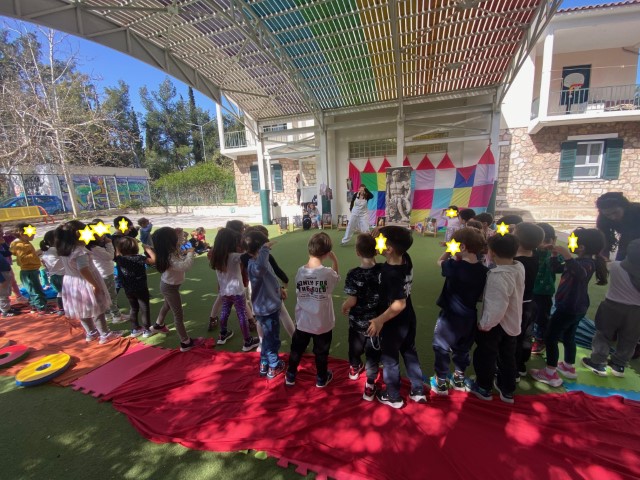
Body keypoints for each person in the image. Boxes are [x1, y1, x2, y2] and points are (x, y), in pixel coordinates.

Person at [530, 228, 608, 387]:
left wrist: (566, 255)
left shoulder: (587, 264)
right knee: (568, 336)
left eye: (572, 241)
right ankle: (568, 366)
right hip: (574, 307)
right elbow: (556, 268)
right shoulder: (578, 262)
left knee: (551, 337)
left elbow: (580, 273)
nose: (568, 243)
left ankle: (550, 373)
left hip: (569, 307)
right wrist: (554, 255)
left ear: (582, 247)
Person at [367, 226, 428, 408]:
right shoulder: (405, 258)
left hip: (393, 322)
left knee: (390, 359)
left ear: (389, 248)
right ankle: (418, 390)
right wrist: (380, 234)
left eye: (379, 241)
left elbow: (399, 304)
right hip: (409, 318)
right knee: (409, 352)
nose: (376, 243)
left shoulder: (390, 273)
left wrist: (379, 320)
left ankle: (393, 396)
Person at [430, 227, 488, 396]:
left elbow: (439, 262)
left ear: (462, 247)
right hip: (469, 317)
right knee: (463, 349)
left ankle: (441, 381)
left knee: (441, 347)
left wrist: (448, 251)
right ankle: (459, 377)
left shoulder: (453, 266)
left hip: (449, 317)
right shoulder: (484, 271)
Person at [468, 233, 524, 404]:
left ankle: (483, 387)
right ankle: (507, 389)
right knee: (508, 356)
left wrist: (485, 325)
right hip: (513, 322)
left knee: (486, 355)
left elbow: (497, 306)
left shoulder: (497, 276)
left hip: (496, 325)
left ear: (491, 252)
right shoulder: (518, 266)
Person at [286, 232, 339, 388]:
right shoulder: (327, 273)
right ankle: (321, 378)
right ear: (327, 253)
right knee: (321, 352)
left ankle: (290, 375)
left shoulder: (300, 271)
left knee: (297, 349)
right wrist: (335, 260)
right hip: (322, 323)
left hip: (303, 321)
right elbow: (336, 277)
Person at [55, 221, 122, 344]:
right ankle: (105, 334)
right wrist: (94, 284)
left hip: (72, 283)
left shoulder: (66, 250)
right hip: (85, 283)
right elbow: (83, 269)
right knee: (97, 308)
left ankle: (91, 332)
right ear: (78, 234)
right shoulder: (80, 252)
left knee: (82, 310)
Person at [582, 239, 640, 377]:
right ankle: (619, 365)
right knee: (630, 339)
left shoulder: (615, 266)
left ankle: (598, 362)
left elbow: (604, 264)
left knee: (603, 335)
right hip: (637, 312)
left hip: (611, 307)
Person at [341, 234, 382, 399]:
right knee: (373, 356)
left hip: (357, 323)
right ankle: (370, 385)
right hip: (376, 324)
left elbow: (352, 300)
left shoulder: (353, 274)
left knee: (354, 347)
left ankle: (354, 368)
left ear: (357, 252)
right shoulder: (382, 270)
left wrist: (345, 306)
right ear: (376, 251)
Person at [241, 225, 295, 340]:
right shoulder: (259, 260)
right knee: (273, 317)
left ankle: (263, 342)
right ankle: (266, 343)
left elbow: (272, 274)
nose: (268, 247)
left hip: (263, 289)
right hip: (264, 293)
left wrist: (280, 287)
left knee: (263, 318)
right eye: (265, 244)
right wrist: (265, 249)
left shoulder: (248, 257)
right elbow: (264, 268)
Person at [244, 230, 285, 378]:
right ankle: (273, 365)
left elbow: (270, 277)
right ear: (260, 249)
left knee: (267, 338)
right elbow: (261, 268)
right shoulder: (255, 265)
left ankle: (264, 363)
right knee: (272, 339)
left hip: (265, 307)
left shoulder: (259, 263)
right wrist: (265, 248)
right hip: (267, 310)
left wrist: (279, 290)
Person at [210, 228, 259, 352]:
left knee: (225, 311)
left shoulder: (216, 257)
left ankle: (223, 334)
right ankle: (248, 341)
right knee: (241, 314)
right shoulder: (235, 256)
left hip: (224, 291)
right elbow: (251, 256)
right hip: (237, 291)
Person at [150, 227, 198, 352]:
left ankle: (158, 325)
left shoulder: (169, 250)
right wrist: (190, 253)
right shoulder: (169, 256)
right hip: (169, 288)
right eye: (175, 237)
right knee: (178, 314)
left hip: (170, 286)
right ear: (170, 241)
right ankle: (185, 342)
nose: (179, 239)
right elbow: (185, 266)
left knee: (167, 305)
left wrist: (180, 233)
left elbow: (180, 244)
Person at [512, 223, 545, 379]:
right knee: (525, 335)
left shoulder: (515, 262)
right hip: (530, 303)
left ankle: (513, 368)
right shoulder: (534, 255)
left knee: (514, 338)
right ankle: (521, 364)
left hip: (518, 305)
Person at [114, 236, 156, 338]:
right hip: (141, 288)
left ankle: (135, 329)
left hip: (128, 289)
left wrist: (118, 248)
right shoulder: (139, 258)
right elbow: (154, 260)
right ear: (135, 247)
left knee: (133, 308)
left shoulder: (120, 259)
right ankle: (147, 330)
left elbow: (117, 253)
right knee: (144, 308)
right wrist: (148, 250)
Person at [531, 223, 559, 355]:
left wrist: (554, 253)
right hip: (530, 290)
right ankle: (531, 334)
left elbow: (558, 267)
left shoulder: (554, 254)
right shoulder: (532, 252)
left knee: (542, 317)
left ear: (554, 240)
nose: (543, 244)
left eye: (547, 240)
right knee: (530, 315)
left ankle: (540, 340)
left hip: (545, 292)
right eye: (540, 241)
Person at [10, 222, 50, 314]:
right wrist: (37, 253)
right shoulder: (22, 245)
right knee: (36, 290)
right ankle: (41, 308)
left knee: (32, 289)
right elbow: (24, 259)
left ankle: (34, 306)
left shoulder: (21, 243)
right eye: (32, 233)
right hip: (29, 271)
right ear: (22, 234)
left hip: (30, 270)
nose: (34, 235)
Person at [87, 231, 123, 324]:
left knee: (105, 295)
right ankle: (116, 316)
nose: (103, 235)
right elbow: (110, 256)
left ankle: (108, 314)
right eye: (101, 233)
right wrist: (109, 243)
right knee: (111, 295)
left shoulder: (92, 247)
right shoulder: (96, 248)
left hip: (103, 274)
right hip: (105, 274)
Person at [596, 192, 640, 261]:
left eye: (615, 212)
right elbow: (604, 240)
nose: (613, 217)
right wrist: (604, 259)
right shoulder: (603, 219)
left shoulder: (637, 211)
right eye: (608, 215)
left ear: (624, 207)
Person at [40, 230, 65, 315]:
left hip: (53, 276)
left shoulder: (45, 251)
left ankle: (61, 309)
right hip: (62, 275)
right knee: (68, 292)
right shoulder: (56, 250)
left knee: (60, 293)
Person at [0, 224, 27, 303]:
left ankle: (18, 296)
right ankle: (5, 306)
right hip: (1, 268)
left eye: (1, 231)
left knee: (12, 281)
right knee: (3, 286)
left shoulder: (4, 238)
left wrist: (11, 233)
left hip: (6, 265)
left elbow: (8, 252)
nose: (1, 233)